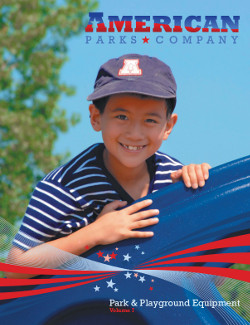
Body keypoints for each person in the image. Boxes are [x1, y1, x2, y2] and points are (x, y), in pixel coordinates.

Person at [6, 54, 211, 278]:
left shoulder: (172, 177)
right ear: (96, 117)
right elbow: (16, 266)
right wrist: (95, 233)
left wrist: (197, 193)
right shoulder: (66, 187)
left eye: (150, 120)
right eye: (122, 116)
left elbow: (210, 273)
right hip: (74, 308)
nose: (135, 133)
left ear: (168, 126)